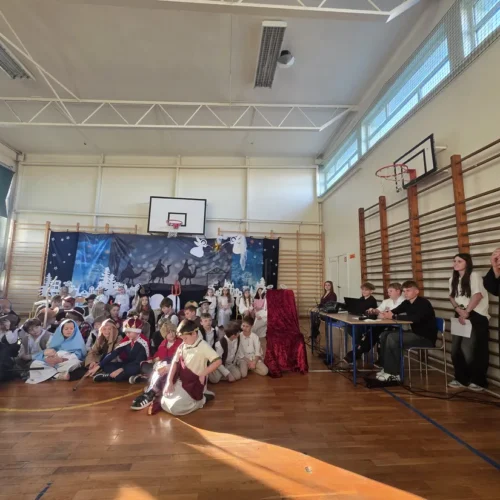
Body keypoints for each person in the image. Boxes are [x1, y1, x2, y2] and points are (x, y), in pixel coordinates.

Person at [376, 280, 437, 382]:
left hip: (425, 337)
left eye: (408, 291)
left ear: (416, 291)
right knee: (384, 335)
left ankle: (394, 373)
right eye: (404, 291)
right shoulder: (407, 302)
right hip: (414, 333)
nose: (405, 293)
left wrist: (393, 316)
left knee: (393, 338)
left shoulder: (423, 303)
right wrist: (385, 314)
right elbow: (395, 311)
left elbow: (415, 318)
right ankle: (386, 368)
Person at [161, 320, 222, 416]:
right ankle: (192, 398)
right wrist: (169, 381)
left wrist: (203, 374)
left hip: (195, 383)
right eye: (182, 339)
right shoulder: (183, 345)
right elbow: (174, 362)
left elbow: (218, 361)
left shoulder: (203, 346)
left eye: (185, 338)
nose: (183, 341)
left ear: (194, 334)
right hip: (182, 381)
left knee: (175, 408)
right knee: (163, 401)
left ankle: (202, 400)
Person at [448, 254, 490, 391]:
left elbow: (477, 295)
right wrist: (458, 309)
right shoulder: (453, 279)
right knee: (456, 348)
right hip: (460, 314)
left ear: (467, 263)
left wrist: (467, 312)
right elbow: (452, 296)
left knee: (472, 349)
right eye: (454, 261)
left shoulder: (474, 276)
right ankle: (461, 378)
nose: (456, 263)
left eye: (459, 261)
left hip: (475, 315)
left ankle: (478, 380)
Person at [130, 321, 183, 411]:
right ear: (164, 334)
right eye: (168, 332)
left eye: (173, 331)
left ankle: (151, 390)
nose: (171, 334)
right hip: (160, 367)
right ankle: (150, 383)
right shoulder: (163, 344)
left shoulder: (180, 343)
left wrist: (161, 362)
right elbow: (157, 356)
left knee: (164, 364)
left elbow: (176, 359)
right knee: (144, 365)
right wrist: (153, 360)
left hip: (173, 369)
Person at [89, 317, 150, 382]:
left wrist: (121, 369)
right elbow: (114, 353)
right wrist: (99, 365)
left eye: (129, 332)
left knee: (121, 374)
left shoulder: (143, 343)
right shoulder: (128, 339)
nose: (127, 334)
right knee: (106, 365)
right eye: (126, 332)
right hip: (126, 364)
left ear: (137, 332)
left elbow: (138, 362)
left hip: (137, 366)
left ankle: (108, 376)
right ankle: (132, 377)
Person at [26, 319, 87, 384]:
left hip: (66, 362)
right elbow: (49, 351)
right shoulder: (55, 339)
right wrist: (48, 358)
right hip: (52, 361)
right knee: (35, 364)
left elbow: (80, 355)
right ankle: (57, 375)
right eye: (66, 329)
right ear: (61, 330)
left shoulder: (78, 340)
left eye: (71, 329)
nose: (69, 330)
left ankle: (52, 374)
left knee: (75, 363)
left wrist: (61, 359)